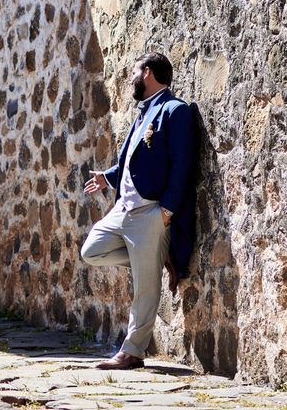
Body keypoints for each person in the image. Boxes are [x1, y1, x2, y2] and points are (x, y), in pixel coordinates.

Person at [81, 53, 197, 370]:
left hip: (150, 213)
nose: (131, 76)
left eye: (135, 71)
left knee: (146, 288)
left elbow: (182, 166)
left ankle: (132, 352)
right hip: (124, 209)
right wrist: (108, 177)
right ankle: (155, 257)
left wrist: (167, 212)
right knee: (91, 250)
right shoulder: (142, 114)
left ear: (147, 72)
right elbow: (132, 162)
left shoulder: (175, 111)